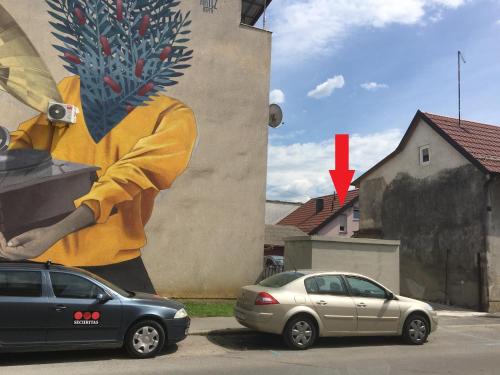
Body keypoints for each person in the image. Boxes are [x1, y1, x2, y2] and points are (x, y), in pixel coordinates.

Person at [0, 75, 197, 293]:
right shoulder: (71, 87)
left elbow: (126, 180)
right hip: (27, 252)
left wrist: (55, 231)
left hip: (108, 262)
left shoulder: (172, 116)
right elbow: (27, 143)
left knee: (144, 320)